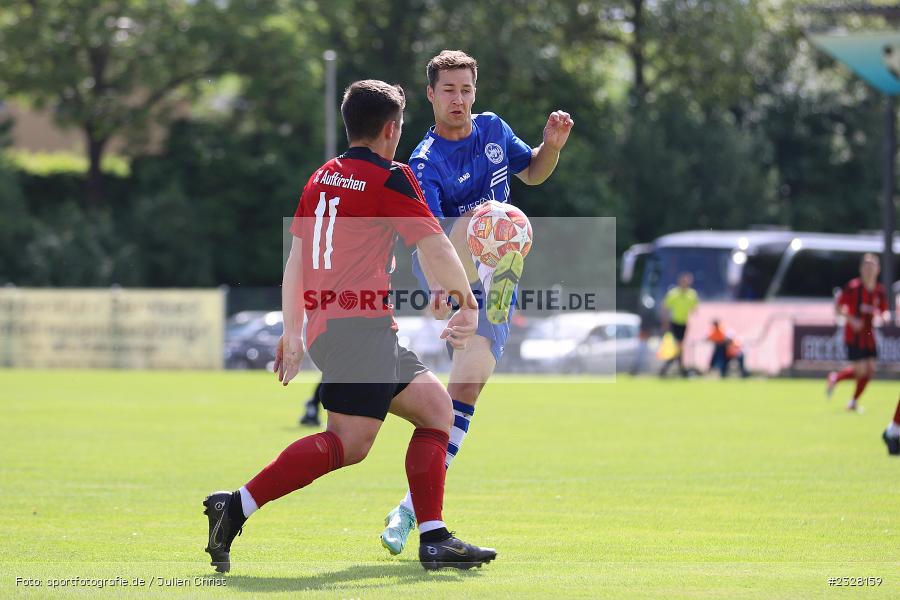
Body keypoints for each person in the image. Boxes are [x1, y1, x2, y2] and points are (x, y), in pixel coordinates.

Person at [203, 79, 497, 573]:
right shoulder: (392, 177)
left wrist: (294, 332)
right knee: (348, 443)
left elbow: (296, 259)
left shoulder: (322, 177)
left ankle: (433, 536)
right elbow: (436, 246)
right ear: (390, 129)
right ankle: (234, 507)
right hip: (358, 327)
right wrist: (469, 302)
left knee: (435, 410)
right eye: (400, 127)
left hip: (341, 327)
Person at [379, 50, 574, 555]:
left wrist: (550, 147)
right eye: (449, 90)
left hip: (502, 274)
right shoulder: (424, 162)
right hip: (451, 270)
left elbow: (532, 174)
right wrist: (456, 298)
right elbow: (435, 242)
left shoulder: (491, 129)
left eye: (467, 89)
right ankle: (421, 516)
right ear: (431, 95)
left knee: (465, 392)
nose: (460, 99)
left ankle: (408, 510)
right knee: (476, 223)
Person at [825, 253, 889, 413]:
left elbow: (884, 311)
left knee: (870, 369)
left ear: (878, 269)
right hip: (853, 335)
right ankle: (842, 386)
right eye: (866, 265)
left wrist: (884, 317)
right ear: (860, 269)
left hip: (869, 336)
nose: (869, 269)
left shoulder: (880, 291)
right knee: (861, 370)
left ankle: (847, 394)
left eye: (872, 265)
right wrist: (852, 319)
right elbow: (838, 307)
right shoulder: (853, 287)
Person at [658, 272, 698, 378]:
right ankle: (680, 369)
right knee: (678, 346)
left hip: (684, 324)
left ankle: (670, 369)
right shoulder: (673, 294)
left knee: (679, 347)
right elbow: (665, 307)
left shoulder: (692, 295)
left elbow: (694, 309)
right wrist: (665, 323)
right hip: (674, 323)